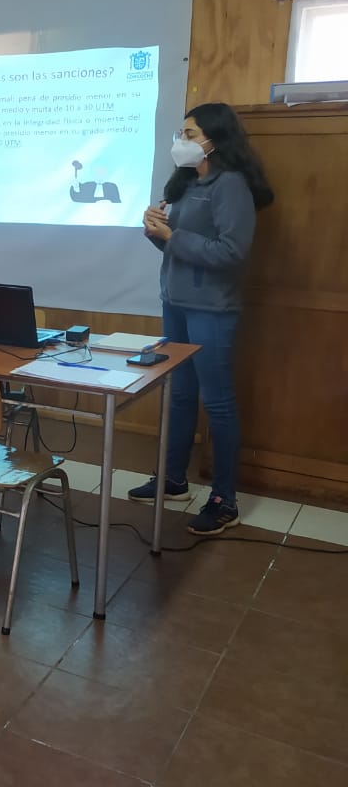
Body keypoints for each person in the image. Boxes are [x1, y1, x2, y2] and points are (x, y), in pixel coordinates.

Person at [128, 103, 275, 535]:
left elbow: (231, 253)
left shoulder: (231, 185)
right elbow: (177, 246)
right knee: (179, 394)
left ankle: (224, 500)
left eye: (190, 134)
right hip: (175, 301)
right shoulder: (188, 182)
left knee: (217, 401)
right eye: (182, 133)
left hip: (211, 307)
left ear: (214, 138)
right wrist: (157, 232)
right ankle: (173, 479)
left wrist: (173, 235)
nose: (182, 141)